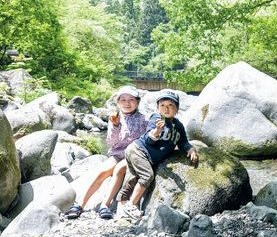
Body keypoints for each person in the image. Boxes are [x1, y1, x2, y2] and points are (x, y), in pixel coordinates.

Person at [65, 86, 148, 219]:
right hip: (117, 153)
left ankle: (105, 205)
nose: (127, 103)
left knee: (118, 171)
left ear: (137, 102)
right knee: (102, 172)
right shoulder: (115, 117)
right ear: (118, 102)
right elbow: (111, 142)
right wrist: (115, 126)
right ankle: (80, 204)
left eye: (131, 99)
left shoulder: (144, 119)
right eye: (123, 100)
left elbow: (149, 139)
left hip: (134, 155)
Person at [117, 89, 198, 219]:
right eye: (162, 105)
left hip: (143, 154)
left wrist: (190, 149)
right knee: (147, 175)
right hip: (139, 150)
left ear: (177, 109)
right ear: (157, 108)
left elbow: (183, 141)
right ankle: (131, 205)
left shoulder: (178, 126)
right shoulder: (156, 118)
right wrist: (157, 131)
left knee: (134, 177)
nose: (166, 109)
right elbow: (149, 139)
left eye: (171, 105)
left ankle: (122, 203)